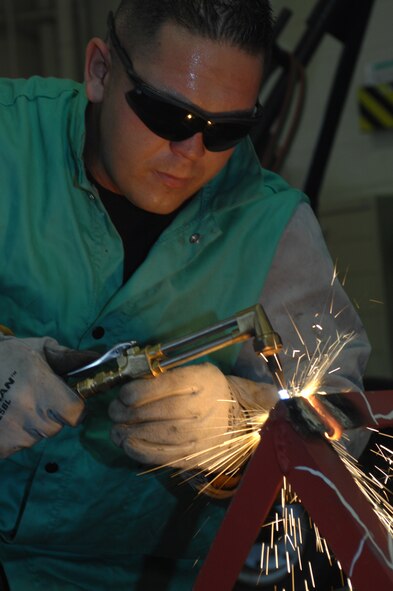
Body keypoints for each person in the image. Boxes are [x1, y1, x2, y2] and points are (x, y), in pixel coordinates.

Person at [0, 0, 370, 589]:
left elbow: (341, 422)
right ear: (100, 71)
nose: (193, 153)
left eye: (227, 130)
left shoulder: (272, 227)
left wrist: (243, 420)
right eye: (168, 116)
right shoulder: (9, 141)